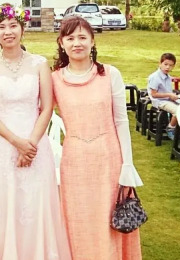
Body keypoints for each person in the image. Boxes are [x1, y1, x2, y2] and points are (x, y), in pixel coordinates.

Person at [0, 4, 71, 260]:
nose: (8, 32)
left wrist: (31, 145)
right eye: (2, 27)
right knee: (4, 203)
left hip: (36, 144)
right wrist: (16, 142)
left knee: (35, 202)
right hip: (3, 145)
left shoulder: (39, 63)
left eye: (13, 26)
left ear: (22, 29)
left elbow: (47, 107)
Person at [51, 15, 142, 259]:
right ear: (61, 43)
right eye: (70, 38)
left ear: (92, 41)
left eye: (82, 37)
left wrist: (128, 164)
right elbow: (37, 113)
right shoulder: (55, 79)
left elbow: (121, 121)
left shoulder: (110, 74)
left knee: (107, 220)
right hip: (74, 162)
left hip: (108, 160)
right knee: (78, 218)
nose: (77, 43)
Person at [147, 53, 180, 139]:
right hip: (160, 101)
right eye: (165, 64)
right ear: (160, 64)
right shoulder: (155, 77)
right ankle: (170, 128)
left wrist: (173, 96)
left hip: (168, 99)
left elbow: (168, 91)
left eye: (171, 65)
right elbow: (154, 94)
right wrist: (169, 95)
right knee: (178, 111)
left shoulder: (168, 77)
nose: (167, 67)